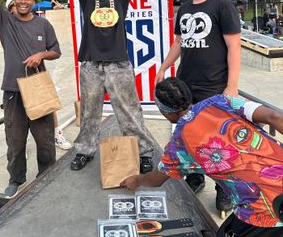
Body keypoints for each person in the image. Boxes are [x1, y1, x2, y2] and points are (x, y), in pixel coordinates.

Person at [121, 77, 283, 237]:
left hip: (266, 208)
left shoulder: (179, 145)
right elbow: (275, 117)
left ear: (165, 111)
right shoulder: (222, 101)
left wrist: (137, 180)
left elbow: (156, 179)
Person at [65, 0, 155, 173]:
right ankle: (85, 150)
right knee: (90, 112)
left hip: (118, 61)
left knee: (129, 110)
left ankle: (142, 151)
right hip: (91, 62)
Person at [155, 0, 241, 212]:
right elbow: (179, 43)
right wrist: (163, 67)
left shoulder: (222, 5)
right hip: (185, 87)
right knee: (188, 137)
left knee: (218, 143)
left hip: (214, 87)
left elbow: (234, 46)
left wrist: (232, 86)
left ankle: (224, 189)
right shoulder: (184, 9)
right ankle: (195, 177)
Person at [0, 0, 61, 198]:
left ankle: (47, 176)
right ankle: (16, 178)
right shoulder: (5, 21)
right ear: (14, 2)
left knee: (45, 140)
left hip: (38, 88)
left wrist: (41, 55)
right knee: (15, 140)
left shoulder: (43, 25)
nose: (23, 1)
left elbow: (56, 51)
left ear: (34, 2)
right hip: (13, 91)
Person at [5, 0, 72, 151]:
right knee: (17, 126)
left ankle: (56, 133)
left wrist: (41, 55)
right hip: (15, 83)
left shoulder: (39, 24)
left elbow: (55, 51)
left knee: (47, 108)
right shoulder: (8, 27)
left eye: (24, 2)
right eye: (13, 6)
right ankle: (21, 146)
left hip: (36, 79)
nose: (18, 8)